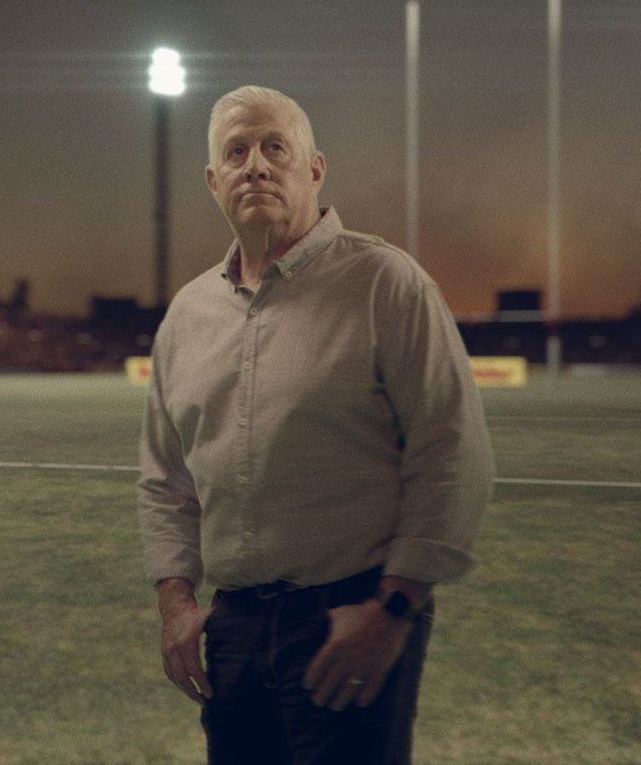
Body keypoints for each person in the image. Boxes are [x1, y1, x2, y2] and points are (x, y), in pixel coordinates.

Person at [137, 85, 494, 763]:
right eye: (236, 152)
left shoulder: (385, 282)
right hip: (233, 626)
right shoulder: (187, 314)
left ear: (315, 168)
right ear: (214, 181)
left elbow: (452, 455)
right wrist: (176, 605)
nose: (256, 166)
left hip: (350, 616)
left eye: (276, 147)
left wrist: (393, 609)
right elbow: (165, 478)